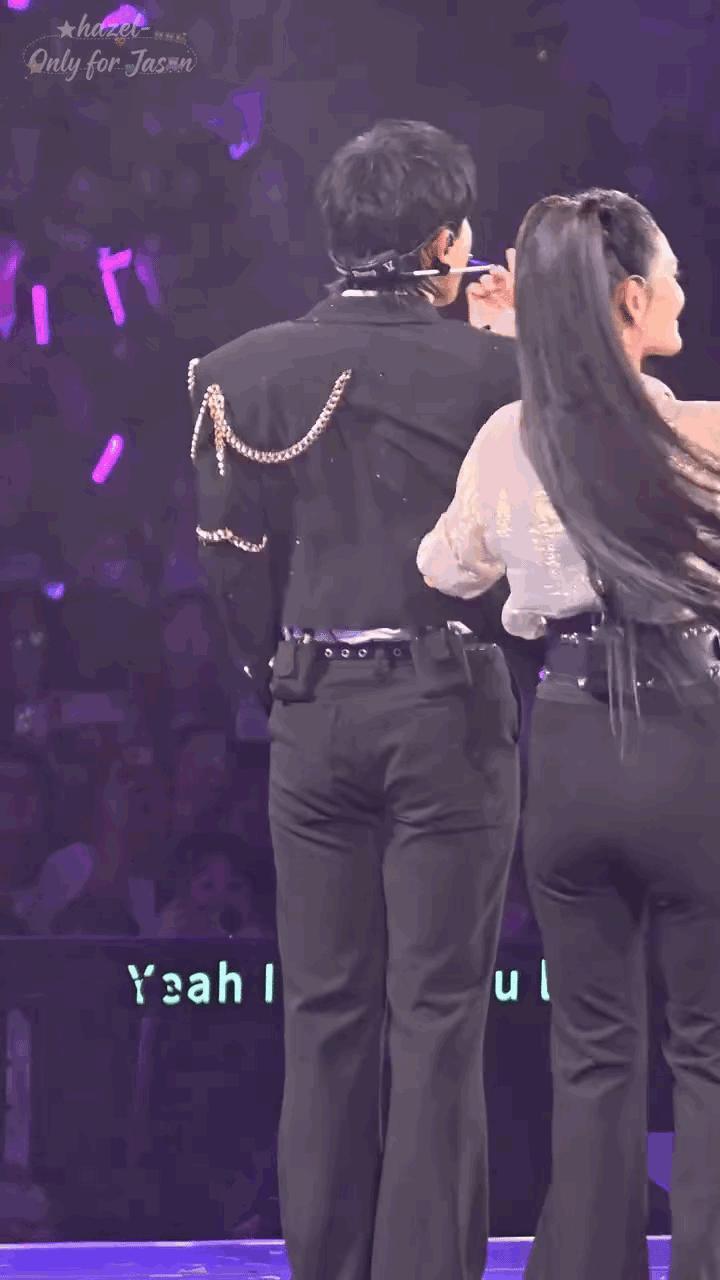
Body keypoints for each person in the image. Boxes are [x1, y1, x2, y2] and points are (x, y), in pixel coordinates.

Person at [189, 119, 524, 1280]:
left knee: (325, 1012)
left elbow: (230, 566)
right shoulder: (498, 373)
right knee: (437, 1015)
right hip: (448, 707)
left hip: (309, 704)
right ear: (443, 241)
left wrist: (280, 678)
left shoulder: (239, 369)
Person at [418, 187, 720, 1280]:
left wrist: (516, 352)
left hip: (568, 752)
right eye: (670, 273)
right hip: (688, 746)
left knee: (593, 1052)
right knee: (709, 1051)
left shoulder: (511, 439)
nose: (683, 290)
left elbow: (444, 568)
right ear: (632, 297)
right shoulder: (701, 435)